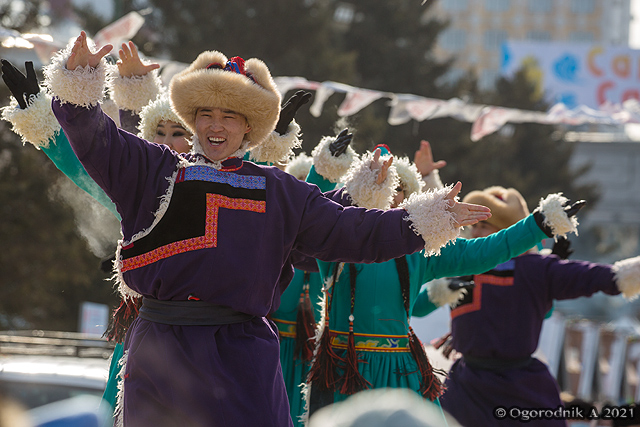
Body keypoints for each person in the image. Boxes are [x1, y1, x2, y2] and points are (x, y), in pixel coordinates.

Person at [43, 31, 491, 426]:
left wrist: (429, 218)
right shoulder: (154, 169)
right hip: (164, 352)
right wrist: (80, 80)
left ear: (250, 127)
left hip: (245, 356)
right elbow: (94, 138)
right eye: (206, 113)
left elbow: (355, 231)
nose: (215, 126)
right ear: (193, 118)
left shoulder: (280, 191)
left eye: (230, 116)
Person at [303, 144, 584, 422]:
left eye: (399, 187)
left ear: (408, 200)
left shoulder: (420, 247)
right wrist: (325, 168)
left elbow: (481, 251)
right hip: (342, 366)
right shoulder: (339, 235)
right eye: (383, 183)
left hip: (400, 368)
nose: (391, 192)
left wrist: (539, 224)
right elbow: (307, 215)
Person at [432, 186, 640, 427]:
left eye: (485, 226)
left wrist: (629, 274)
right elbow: (419, 244)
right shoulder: (458, 265)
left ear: (504, 234)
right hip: (467, 386)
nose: (476, 233)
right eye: (473, 227)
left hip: (519, 385)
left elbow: (588, 277)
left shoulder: (534, 268)